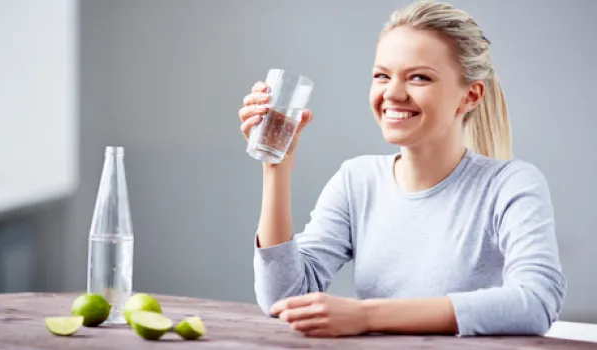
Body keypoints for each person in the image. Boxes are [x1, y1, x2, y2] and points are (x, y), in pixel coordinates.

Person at [237, 0, 566, 338]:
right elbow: (283, 299)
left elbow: (537, 302)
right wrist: (276, 164)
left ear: (471, 96)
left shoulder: (510, 185)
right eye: (382, 75)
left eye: (419, 77)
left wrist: (367, 316)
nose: (392, 93)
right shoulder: (357, 181)